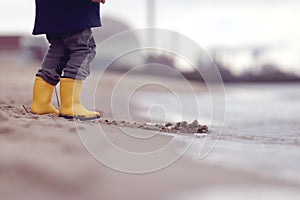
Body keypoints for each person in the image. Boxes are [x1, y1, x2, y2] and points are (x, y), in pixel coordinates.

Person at [30, 0, 106, 120]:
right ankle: (71, 105)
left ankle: (40, 103)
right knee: (84, 48)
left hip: (49, 8)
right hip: (73, 8)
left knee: (59, 48)